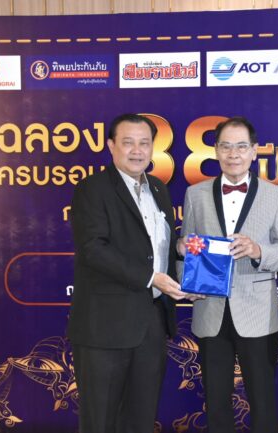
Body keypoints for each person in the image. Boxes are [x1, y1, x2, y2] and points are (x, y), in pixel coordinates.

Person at [68, 113, 197, 433]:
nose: (137, 150)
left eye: (144, 143)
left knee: (141, 418)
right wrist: (151, 278)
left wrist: (179, 250)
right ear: (111, 146)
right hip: (104, 327)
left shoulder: (158, 188)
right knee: (100, 421)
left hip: (151, 322)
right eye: (128, 142)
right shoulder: (92, 189)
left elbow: (154, 247)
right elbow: (93, 248)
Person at [178, 116, 278, 433]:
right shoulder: (195, 194)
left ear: (254, 151)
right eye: (226, 146)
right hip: (210, 309)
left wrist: (258, 251)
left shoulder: (276, 195)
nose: (233, 154)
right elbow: (187, 246)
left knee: (262, 400)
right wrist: (187, 281)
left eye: (241, 146)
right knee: (216, 401)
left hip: (257, 313)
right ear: (216, 150)